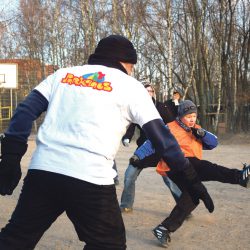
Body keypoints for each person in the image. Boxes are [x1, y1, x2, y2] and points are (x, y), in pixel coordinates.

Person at [0, 35, 214, 250]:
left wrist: (10, 157)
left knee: (16, 238)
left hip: (43, 173)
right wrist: (191, 180)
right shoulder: (131, 87)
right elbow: (163, 139)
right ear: (128, 63)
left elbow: (24, 111)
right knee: (109, 244)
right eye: (132, 68)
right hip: (91, 179)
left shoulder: (62, 75)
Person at [131, 100, 250, 247]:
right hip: (174, 166)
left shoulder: (196, 129)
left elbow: (213, 143)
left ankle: (164, 228)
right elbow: (151, 143)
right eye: (188, 116)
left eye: (194, 115)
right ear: (180, 116)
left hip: (190, 167)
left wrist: (202, 134)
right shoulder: (169, 128)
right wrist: (138, 155)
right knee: (208, 167)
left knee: (193, 197)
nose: (192, 119)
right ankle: (240, 177)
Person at [120, 83, 181, 212]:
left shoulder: (161, 107)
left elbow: (173, 125)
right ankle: (126, 205)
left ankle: (183, 208)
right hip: (143, 150)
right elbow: (131, 125)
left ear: (153, 93)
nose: (148, 93)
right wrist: (127, 137)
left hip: (161, 148)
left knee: (169, 179)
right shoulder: (137, 108)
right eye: (145, 91)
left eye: (150, 91)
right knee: (129, 175)